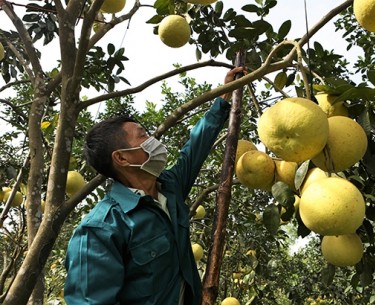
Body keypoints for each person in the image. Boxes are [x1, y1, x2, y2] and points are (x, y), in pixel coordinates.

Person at [64, 67, 245, 305]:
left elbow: (195, 148)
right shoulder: (101, 229)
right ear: (122, 158)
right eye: (143, 136)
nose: (153, 141)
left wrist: (223, 99)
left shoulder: (169, 188)